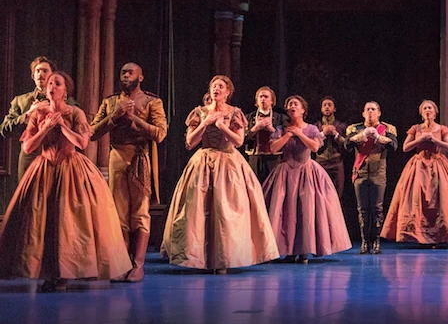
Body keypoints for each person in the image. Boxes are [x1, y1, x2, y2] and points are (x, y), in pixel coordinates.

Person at [0, 72, 131, 292]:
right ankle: (47, 271)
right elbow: (28, 147)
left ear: (66, 90)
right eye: (50, 84)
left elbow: (82, 143)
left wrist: (61, 125)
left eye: (57, 84)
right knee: (41, 222)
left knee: (67, 221)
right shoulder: (39, 112)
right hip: (44, 169)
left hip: (71, 168)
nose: (52, 87)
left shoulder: (75, 113)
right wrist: (45, 128)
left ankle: (65, 273)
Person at [161, 75, 279, 272]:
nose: (216, 89)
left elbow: (239, 142)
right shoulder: (199, 112)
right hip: (203, 161)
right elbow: (190, 143)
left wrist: (222, 126)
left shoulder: (234, 113)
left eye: (221, 87)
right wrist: (205, 123)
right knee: (196, 210)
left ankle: (226, 258)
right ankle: (197, 257)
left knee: (226, 210)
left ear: (227, 92)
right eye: (214, 86)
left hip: (228, 162)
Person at [89, 62, 168, 282]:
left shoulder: (152, 101)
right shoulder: (110, 102)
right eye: (123, 72)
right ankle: (122, 263)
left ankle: (138, 265)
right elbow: (92, 133)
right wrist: (114, 116)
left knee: (140, 213)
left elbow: (160, 134)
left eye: (130, 73)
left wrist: (134, 118)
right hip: (117, 157)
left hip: (140, 157)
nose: (125, 76)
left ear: (140, 77)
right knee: (119, 214)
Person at [262, 95, 352, 263]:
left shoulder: (311, 129)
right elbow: (273, 148)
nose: (292, 106)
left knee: (306, 210)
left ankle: (304, 250)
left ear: (303, 110)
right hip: (286, 172)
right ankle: (289, 251)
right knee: (287, 212)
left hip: (306, 172)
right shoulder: (281, 129)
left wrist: (299, 134)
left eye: (295, 104)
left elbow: (315, 147)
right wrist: (288, 135)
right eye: (289, 104)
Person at [381, 99, 448, 245]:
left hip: (437, 165)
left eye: (430, 108)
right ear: (421, 112)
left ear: (435, 112)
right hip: (419, 165)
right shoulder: (416, 128)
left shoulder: (442, 129)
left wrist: (434, 140)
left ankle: (441, 235)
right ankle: (418, 235)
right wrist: (420, 140)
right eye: (425, 108)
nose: (427, 110)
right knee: (416, 198)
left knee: (442, 198)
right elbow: (405, 147)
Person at [1, 57, 78, 184]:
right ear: (33, 76)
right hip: (29, 156)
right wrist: (27, 115)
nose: (40, 74)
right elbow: (5, 130)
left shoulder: (67, 100)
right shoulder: (21, 101)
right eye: (37, 71)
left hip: (56, 157)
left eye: (44, 71)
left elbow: (76, 128)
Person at [345, 101, 398, 254]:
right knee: (362, 209)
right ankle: (364, 242)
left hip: (378, 172)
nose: (370, 112)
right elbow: (347, 145)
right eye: (367, 109)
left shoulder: (387, 129)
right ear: (363, 113)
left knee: (377, 209)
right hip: (360, 172)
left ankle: (376, 241)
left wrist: (378, 137)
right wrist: (362, 135)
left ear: (379, 113)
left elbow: (394, 146)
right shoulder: (354, 128)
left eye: (373, 109)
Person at [244, 86, 285, 183]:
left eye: (266, 97)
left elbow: (284, 139)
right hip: (254, 157)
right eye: (260, 97)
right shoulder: (248, 117)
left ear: (272, 101)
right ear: (257, 101)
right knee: (254, 185)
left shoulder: (280, 118)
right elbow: (242, 139)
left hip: (273, 158)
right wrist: (256, 128)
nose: (263, 99)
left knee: (272, 185)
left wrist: (271, 129)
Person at [315, 96, 348, 197]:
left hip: (336, 163)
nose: (327, 107)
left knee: (337, 195)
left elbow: (347, 144)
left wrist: (335, 134)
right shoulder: (316, 126)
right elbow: (312, 144)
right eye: (324, 105)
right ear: (321, 109)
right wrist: (323, 133)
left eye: (329, 105)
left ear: (334, 109)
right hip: (321, 163)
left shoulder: (341, 126)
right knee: (320, 194)